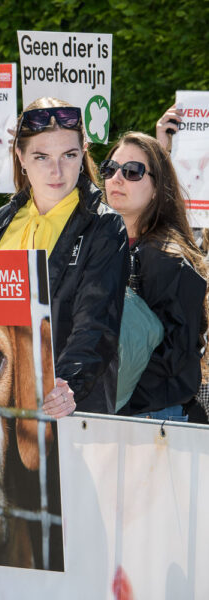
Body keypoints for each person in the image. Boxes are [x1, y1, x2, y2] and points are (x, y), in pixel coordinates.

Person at [0, 98, 129, 416]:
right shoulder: (0, 222)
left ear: (84, 150)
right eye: (41, 156)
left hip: (69, 409)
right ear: (20, 157)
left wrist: (66, 385)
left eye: (69, 155)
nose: (56, 171)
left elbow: (96, 324)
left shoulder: (104, 224)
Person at [102, 131, 208, 421]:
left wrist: (109, 397)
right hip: (119, 415)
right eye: (109, 169)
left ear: (157, 188)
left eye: (132, 171)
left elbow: (171, 359)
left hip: (152, 422)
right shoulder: (105, 246)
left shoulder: (166, 257)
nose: (117, 179)